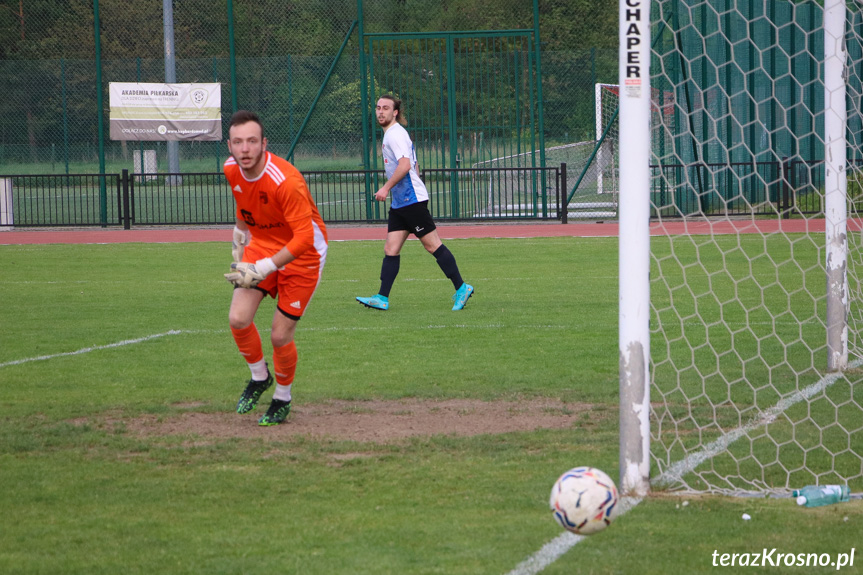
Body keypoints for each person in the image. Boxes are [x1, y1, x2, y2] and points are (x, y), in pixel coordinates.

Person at [222, 110, 328, 426]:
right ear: (229, 145)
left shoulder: (287, 181)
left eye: (252, 141)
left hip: (304, 255)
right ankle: (259, 377)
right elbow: (242, 216)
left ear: (264, 143)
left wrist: (265, 267)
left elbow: (304, 239)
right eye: (238, 142)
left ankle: (282, 397)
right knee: (238, 318)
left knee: (280, 335)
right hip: (263, 243)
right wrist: (239, 257)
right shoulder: (231, 170)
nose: (245, 149)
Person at [356, 95, 473, 311]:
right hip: (402, 202)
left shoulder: (395, 134)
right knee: (391, 248)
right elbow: (414, 166)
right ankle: (382, 297)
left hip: (411, 201)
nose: (381, 111)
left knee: (432, 245)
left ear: (395, 113)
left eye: (386, 108)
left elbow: (405, 165)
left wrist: (385, 188)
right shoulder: (393, 134)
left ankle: (462, 287)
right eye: (378, 108)